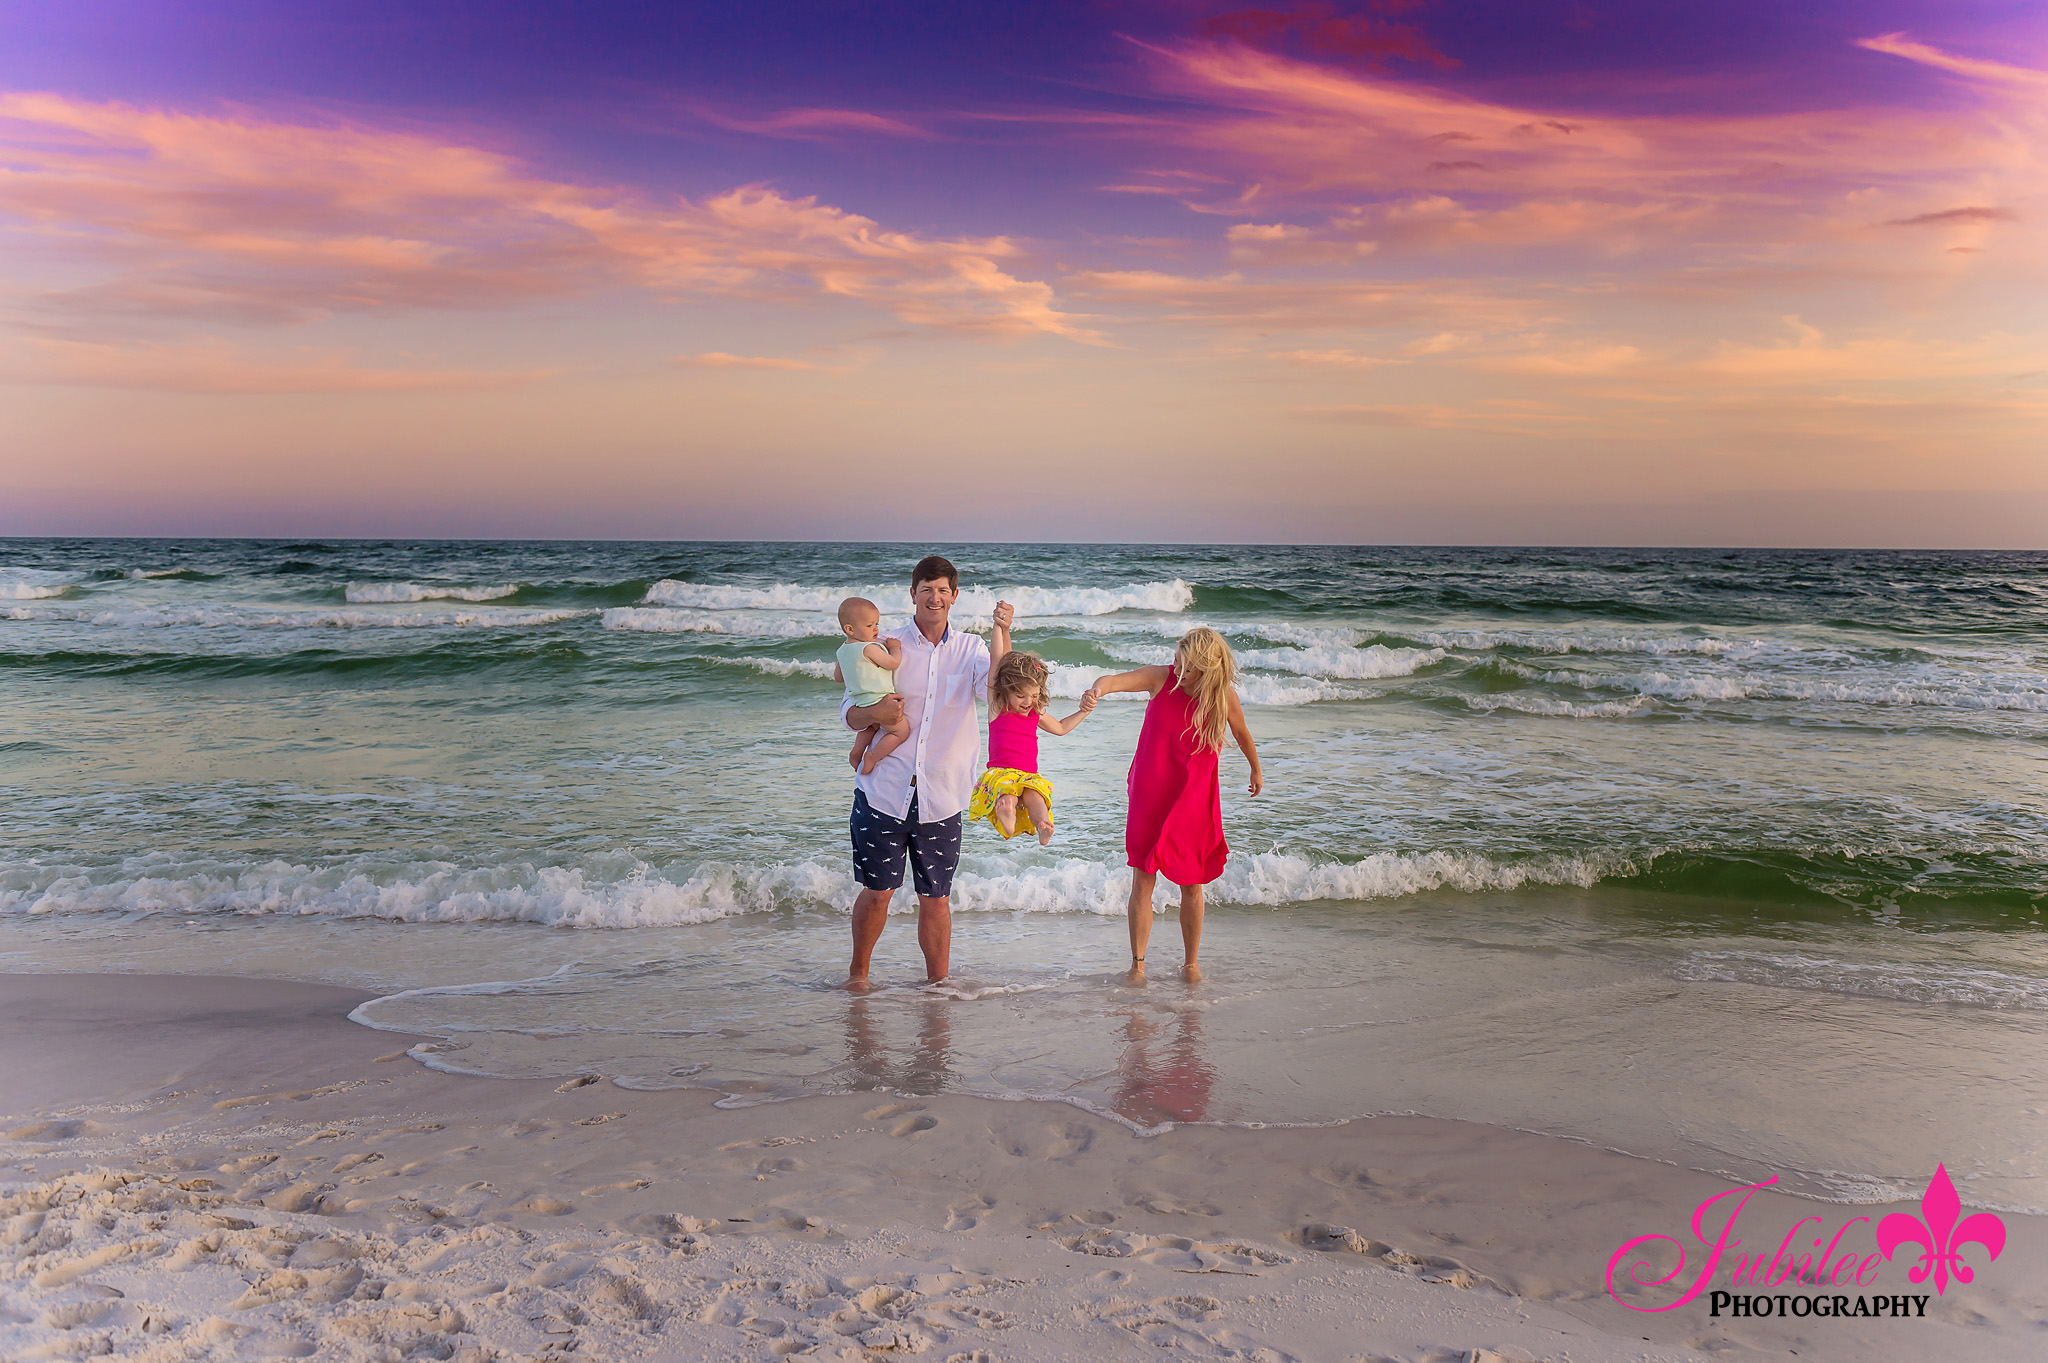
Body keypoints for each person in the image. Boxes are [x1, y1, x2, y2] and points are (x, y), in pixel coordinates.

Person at [837, 555, 1014, 988]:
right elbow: (849, 711)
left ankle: (939, 987)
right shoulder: (884, 646)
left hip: (943, 794)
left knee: (936, 899)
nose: (934, 598)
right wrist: (873, 712)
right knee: (878, 893)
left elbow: (997, 693)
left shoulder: (972, 649)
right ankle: (858, 976)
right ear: (912, 594)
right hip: (884, 789)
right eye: (925, 589)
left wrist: (1002, 631)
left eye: (942, 590)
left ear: (954, 597)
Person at [1083, 627, 1263, 983]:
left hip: (1194, 796)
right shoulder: (1160, 678)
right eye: (1178, 658)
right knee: (1143, 877)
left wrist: (1256, 769)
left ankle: (1191, 964)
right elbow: (1115, 680)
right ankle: (1138, 965)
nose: (1178, 667)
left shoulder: (1222, 697)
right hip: (1151, 790)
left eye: (1187, 665)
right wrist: (1097, 691)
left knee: (1192, 882)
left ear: (1205, 670)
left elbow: (1241, 733)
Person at [967, 650, 1095, 845]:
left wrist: (1083, 711)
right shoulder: (997, 708)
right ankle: (1007, 812)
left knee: (1036, 796)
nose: (1028, 702)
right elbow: (996, 661)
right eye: (1021, 696)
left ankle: (1043, 824)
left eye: (1034, 696)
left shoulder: (1036, 713)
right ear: (1006, 690)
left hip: (1027, 775)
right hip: (1002, 773)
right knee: (1008, 793)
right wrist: (1000, 627)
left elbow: (1061, 728)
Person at [835, 597, 908, 774]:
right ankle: (872, 756)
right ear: (850, 629)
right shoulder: (868, 648)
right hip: (880, 699)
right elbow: (892, 663)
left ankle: (857, 751)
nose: (875, 629)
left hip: (861, 701)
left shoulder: (842, 651)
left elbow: (838, 677)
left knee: (872, 726)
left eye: (876, 623)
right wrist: (895, 648)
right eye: (869, 626)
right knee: (901, 732)